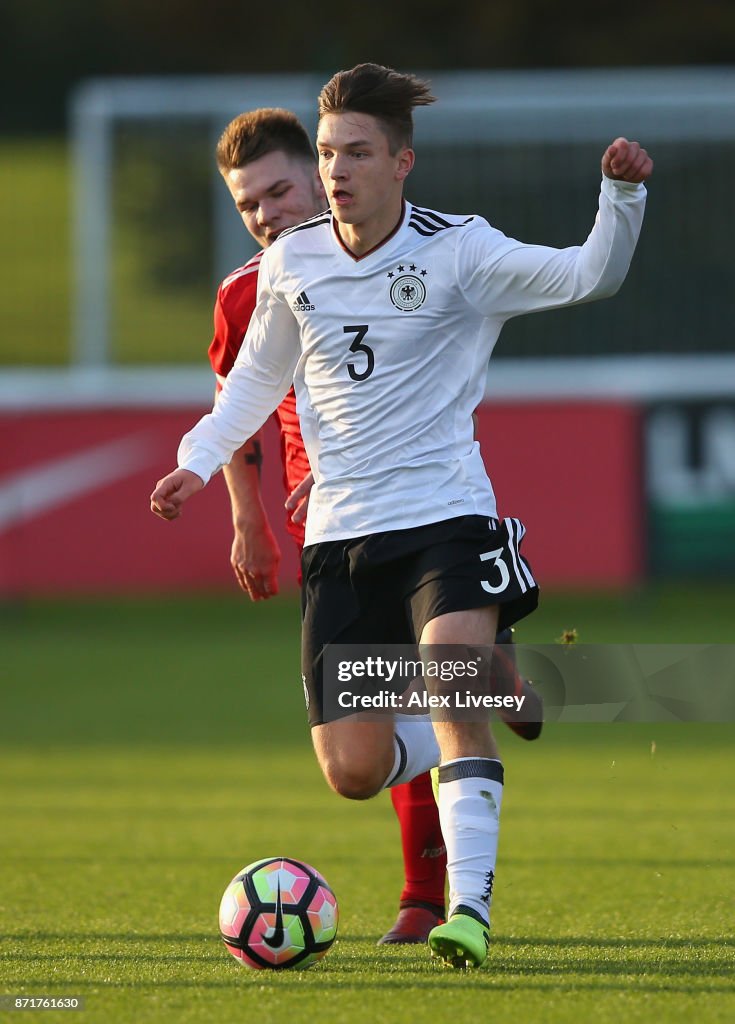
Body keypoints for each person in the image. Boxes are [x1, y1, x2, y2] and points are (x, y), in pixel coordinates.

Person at [151, 63, 652, 969]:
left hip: (444, 516)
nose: (338, 171)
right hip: (341, 536)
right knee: (351, 770)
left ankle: (467, 912)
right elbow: (254, 383)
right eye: (332, 151)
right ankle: (491, 686)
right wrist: (194, 465)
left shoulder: (459, 250)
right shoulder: (290, 264)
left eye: (354, 154)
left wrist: (617, 196)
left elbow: (590, 276)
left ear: (400, 162)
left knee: (450, 684)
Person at [209, 107, 447, 944]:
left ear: (317, 177)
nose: (267, 213)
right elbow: (236, 410)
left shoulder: (408, 255)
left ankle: (425, 899)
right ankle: (494, 683)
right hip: (330, 525)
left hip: (419, 505)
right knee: (378, 712)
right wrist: (249, 523)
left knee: (398, 689)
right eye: (249, 204)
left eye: (278, 191)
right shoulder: (247, 290)